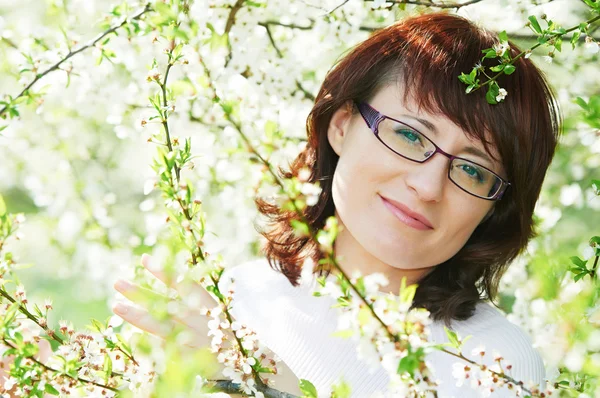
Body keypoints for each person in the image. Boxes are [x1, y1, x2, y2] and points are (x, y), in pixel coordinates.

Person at [112, 10, 561, 398]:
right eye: (408, 134)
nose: (428, 185)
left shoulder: (496, 364)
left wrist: (268, 382)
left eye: (473, 170)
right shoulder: (232, 302)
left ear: (495, 208)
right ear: (343, 125)